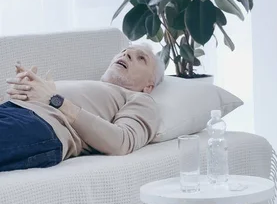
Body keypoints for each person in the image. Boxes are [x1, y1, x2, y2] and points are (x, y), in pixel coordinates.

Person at [0, 43, 165, 172]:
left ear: (149, 85)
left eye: (141, 58)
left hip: (41, 126)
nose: (126, 54)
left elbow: (122, 142)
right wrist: (23, 92)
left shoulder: (141, 100)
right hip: (12, 112)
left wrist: (54, 99)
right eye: (124, 50)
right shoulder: (93, 87)